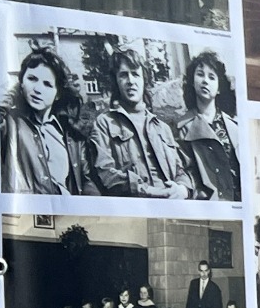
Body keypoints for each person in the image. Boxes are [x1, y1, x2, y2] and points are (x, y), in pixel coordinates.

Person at [91, 51, 192, 199]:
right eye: (124, 75)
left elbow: (180, 170)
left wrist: (182, 189)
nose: (130, 81)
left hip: (172, 204)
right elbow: (105, 174)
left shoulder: (163, 128)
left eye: (135, 74)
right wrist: (153, 192)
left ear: (144, 79)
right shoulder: (104, 123)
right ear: (116, 81)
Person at [1, 46, 79, 195]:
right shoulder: (9, 122)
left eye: (47, 84)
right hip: (26, 212)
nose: (37, 89)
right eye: (32, 79)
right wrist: (14, 91)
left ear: (58, 94)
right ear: (21, 82)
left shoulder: (66, 132)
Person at [174, 50, 240, 201]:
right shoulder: (182, 128)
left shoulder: (234, 127)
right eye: (200, 74)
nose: (205, 81)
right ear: (192, 80)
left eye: (211, 77)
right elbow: (185, 172)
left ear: (219, 88)